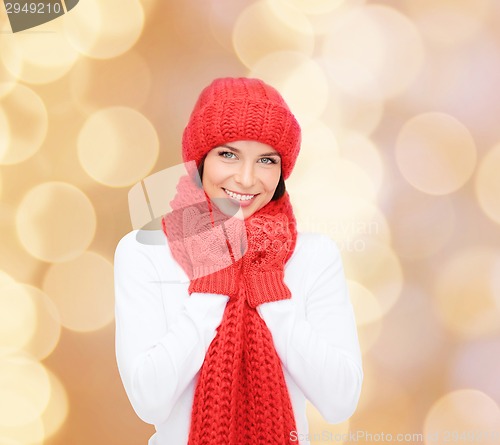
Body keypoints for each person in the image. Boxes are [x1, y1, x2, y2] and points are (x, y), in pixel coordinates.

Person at [114, 77, 363, 445]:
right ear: (199, 159)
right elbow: (150, 401)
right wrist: (212, 284)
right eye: (228, 154)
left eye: (266, 160)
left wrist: (271, 294)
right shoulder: (144, 251)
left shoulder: (314, 256)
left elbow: (340, 401)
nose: (246, 179)